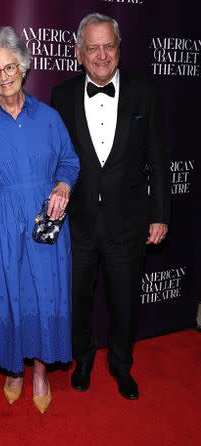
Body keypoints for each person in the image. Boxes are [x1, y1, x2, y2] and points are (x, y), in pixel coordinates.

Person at [51, 13, 169, 400]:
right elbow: (56, 160)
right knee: (78, 299)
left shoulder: (144, 92)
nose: (101, 55)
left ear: (119, 49)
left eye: (109, 46)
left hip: (129, 222)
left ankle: (121, 364)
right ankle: (82, 359)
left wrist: (159, 214)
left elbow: (157, 158)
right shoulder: (62, 96)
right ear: (79, 54)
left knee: (125, 302)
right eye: (93, 47)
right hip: (78, 223)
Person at [0, 27, 79, 414]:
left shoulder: (50, 118)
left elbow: (69, 160)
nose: (4, 76)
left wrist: (63, 186)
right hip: (1, 224)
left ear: (23, 66)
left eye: (10, 66)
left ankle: (40, 371)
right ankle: (13, 371)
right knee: (9, 295)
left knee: (45, 296)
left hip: (46, 224)